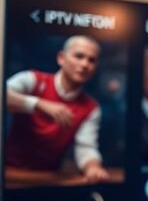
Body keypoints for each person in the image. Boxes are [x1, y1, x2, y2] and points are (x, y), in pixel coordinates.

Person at [5, 35, 112, 183]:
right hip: (10, 174)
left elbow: (86, 147)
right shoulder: (33, 79)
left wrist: (93, 167)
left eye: (91, 60)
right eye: (79, 56)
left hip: (50, 178)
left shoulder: (91, 107)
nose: (85, 64)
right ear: (61, 58)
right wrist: (39, 104)